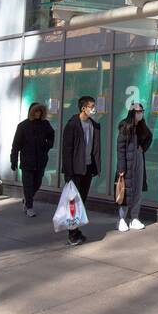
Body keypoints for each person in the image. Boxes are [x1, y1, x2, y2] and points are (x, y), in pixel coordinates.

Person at [61, 95, 101, 245]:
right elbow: (67, 151)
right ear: (83, 108)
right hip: (75, 170)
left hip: (87, 168)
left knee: (81, 201)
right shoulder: (72, 125)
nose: (94, 109)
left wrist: (95, 167)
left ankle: (75, 230)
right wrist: (68, 174)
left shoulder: (93, 125)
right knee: (73, 202)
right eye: (91, 106)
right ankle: (72, 234)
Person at [10, 103, 55, 217]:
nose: (37, 114)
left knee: (37, 183)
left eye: (40, 111)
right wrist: (13, 160)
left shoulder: (45, 124)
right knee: (28, 184)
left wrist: (48, 145)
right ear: (31, 112)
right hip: (27, 161)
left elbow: (51, 135)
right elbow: (16, 145)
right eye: (35, 111)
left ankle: (27, 198)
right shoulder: (23, 126)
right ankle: (29, 207)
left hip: (40, 160)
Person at [115, 103, 153, 232]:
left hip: (138, 161)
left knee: (137, 190)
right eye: (138, 112)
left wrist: (143, 147)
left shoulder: (142, 126)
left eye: (142, 111)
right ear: (132, 113)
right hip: (126, 163)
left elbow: (149, 137)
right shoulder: (125, 126)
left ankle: (134, 218)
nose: (140, 114)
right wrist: (121, 167)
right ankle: (121, 219)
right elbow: (120, 149)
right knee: (125, 191)